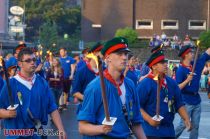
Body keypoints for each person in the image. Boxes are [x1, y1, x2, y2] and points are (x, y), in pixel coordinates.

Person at [77, 37, 146, 139]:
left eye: (126, 54)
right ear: (108, 57)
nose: (124, 57)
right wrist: (101, 128)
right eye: (119, 54)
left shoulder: (130, 84)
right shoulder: (95, 87)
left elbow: (136, 123)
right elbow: (82, 127)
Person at [0, 48, 66, 139]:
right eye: (28, 60)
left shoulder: (42, 82)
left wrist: (60, 129)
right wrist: (7, 114)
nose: (32, 62)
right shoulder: (10, 84)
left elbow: (52, 107)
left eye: (34, 60)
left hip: (37, 133)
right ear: (20, 64)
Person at [137, 49, 191, 139]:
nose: (166, 64)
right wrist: (150, 120)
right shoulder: (145, 83)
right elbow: (137, 106)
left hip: (169, 131)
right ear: (154, 66)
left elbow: (179, 103)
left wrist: (186, 118)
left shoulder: (171, 83)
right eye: (162, 63)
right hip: (151, 132)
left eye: (165, 62)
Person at [175, 45, 210, 139]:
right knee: (183, 125)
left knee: (195, 126)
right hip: (186, 101)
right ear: (186, 55)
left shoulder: (196, 64)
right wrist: (187, 80)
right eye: (191, 52)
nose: (193, 54)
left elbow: (206, 54)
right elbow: (177, 88)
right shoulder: (180, 70)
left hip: (196, 100)